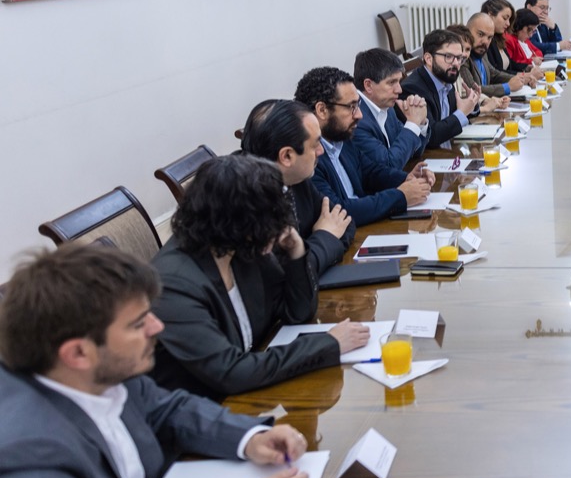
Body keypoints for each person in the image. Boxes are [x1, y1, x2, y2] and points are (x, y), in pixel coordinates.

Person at [0, 243, 314, 478]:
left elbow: (168, 409)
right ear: (77, 353)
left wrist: (250, 439)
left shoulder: (101, 373)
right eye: (138, 324)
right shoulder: (25, 454)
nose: (157, 327)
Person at [148, 155, 370, 399]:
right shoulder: (174, 284)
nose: (278, 226)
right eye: (269, 218)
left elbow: (297, 312)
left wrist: (296, 255)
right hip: (210, 410)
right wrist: (327, 344)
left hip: (253, 392)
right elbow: (232, 372)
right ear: (236, 221)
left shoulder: (238, 247)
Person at [295, 66, 433, 225]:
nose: (359, 115)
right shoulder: (307, 156)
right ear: (322, 110)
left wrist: (406, 178)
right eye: (351, 107)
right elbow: (338, 212)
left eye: (358, 106)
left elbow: (370, 173)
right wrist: (401, 196)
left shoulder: (342, 139)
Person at [239, 99, 352, 277]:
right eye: (315, 145)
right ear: (287, 156)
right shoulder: (247, 201)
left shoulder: (296, 177)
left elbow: (344, 222)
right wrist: (325, 237)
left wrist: (316, 249)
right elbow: (288, 274)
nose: (321, 151)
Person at [400, 28, 484, 148]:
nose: (456, 63)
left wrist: (471, 104)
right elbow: (431, 136)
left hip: (447, 152)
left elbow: (452, 119)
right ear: (429, 59)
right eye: (448, 56)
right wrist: (462, 112)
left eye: (459, 58)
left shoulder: (445, 79)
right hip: (428, 160)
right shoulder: (413, 89)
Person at [352, 47, 431, 171]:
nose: (399, 89)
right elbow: (388, 166)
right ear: (368, 85)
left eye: (399, 81)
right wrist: (412, 123)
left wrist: (420, 123)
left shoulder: (387, 107)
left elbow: (414, 151)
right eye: (391, 82)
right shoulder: (357, 120)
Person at [462, 12, 536, 98]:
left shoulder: (481, 51)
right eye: (480, 34)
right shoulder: (462, 58)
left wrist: (521, 79)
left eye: (489, 37)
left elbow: (494, 74)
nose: (485, 41)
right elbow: (471, 89)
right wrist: (507, 87)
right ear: (467, 31)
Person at [446, 24, 509, 115]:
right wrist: (484, 108)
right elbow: (452, 110)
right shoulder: (447, 72)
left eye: (467, 49)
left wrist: (488, 100)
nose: (463, 54)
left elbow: (465, 92)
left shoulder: (457, 70)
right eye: (460, 49)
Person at [480, 0, 530, 73]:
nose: (508, 23)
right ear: (490, 15)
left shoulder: (498, 38)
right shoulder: (485, 41)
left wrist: (527, 68)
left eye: (509, 19)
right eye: (504, 18)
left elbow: (508, 63)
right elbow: (495, 73)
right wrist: (523, 75)